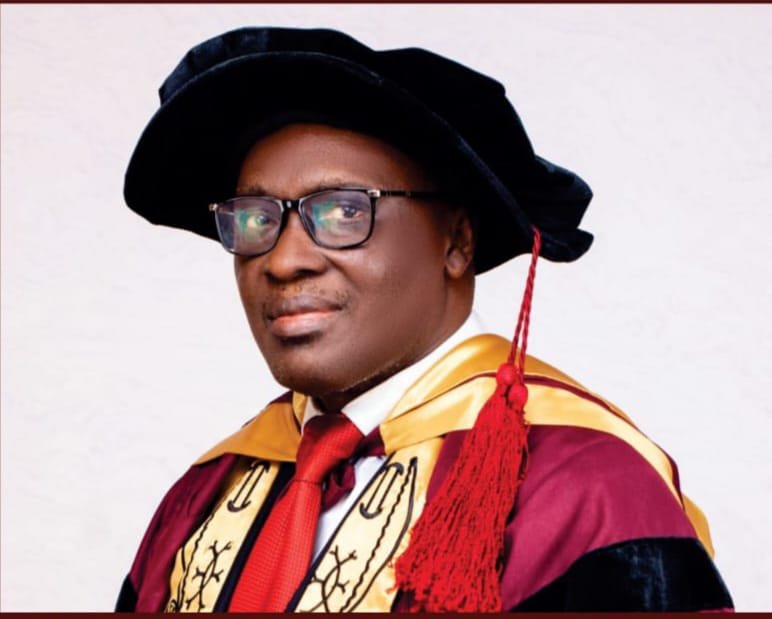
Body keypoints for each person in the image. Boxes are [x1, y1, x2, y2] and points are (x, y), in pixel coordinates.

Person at [116, 26, 733, 613]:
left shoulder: (587, 487)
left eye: (344, 212)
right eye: (255, 219)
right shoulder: (206, 493)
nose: (282, 260)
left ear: (457, 242)